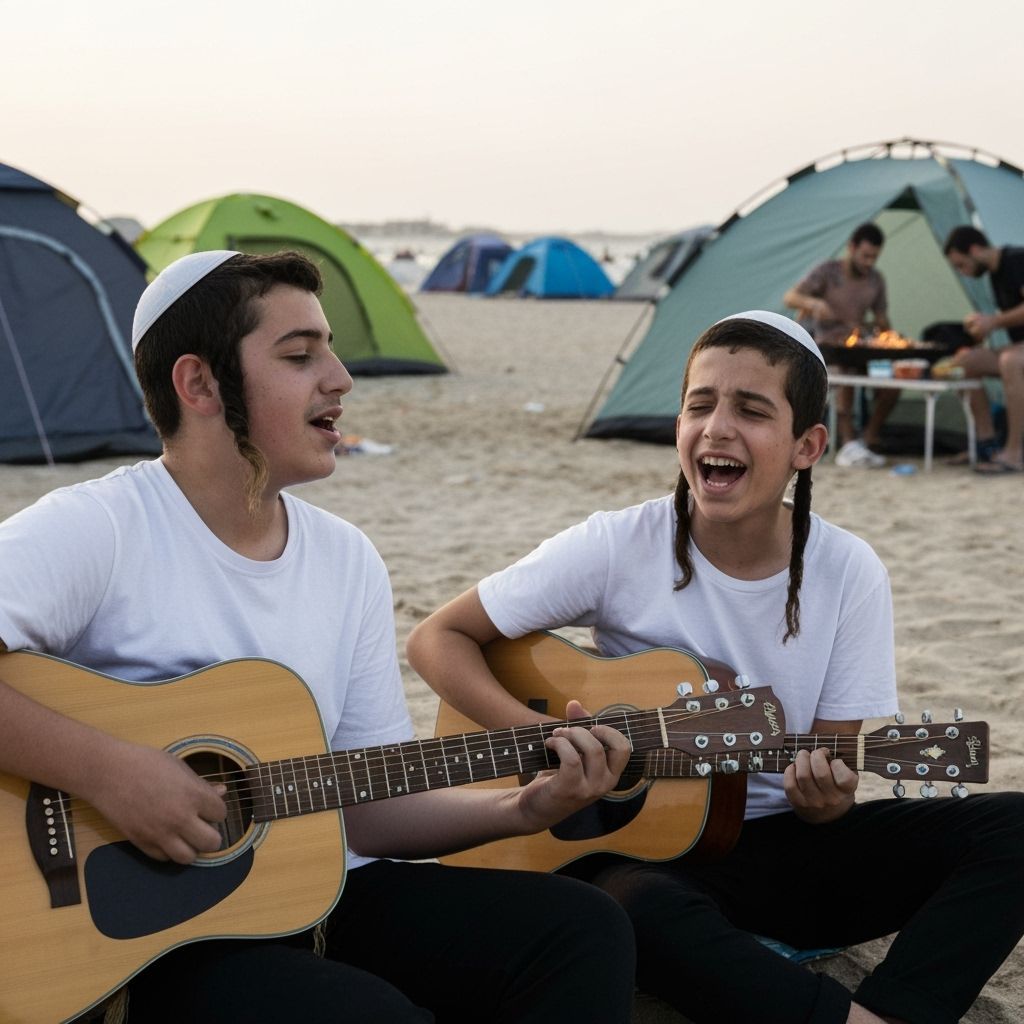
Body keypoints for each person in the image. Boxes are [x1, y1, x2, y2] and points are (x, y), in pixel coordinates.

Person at [0, 250, 639, 1023]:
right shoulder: (100, 528)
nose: (339, 377)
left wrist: (519, 812)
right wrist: (111, 775)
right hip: (157, 934)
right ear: (198, 384)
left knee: (581, 928)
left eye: (330, 349)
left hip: (322, 890)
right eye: (300, 355)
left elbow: (364, 808)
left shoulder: (346, 559)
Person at [407, 310, 1024, 1024]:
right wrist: (543, 741)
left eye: (751, 410)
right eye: (700, 405)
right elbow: (437, 638)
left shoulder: (848, 571)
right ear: (677, 430)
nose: (718, 427)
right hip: (640, 853)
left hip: (781, 849)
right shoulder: (618, 544)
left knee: (1013, 831)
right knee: (627, 907)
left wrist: (825, 798)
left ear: (807, 446)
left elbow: (828, 796)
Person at [784, 222, 896, 468]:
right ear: (851, 247)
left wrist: (886, 331)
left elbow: (881, 318)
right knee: (845, 373)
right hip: (824, 346)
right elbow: (791, 297)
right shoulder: (827, 272)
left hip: (858, 344)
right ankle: (848, 443)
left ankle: (866, 438)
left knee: (893, 380)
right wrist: (814, 305)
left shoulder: (876, 280)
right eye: (865, 256)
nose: (869, 262)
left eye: (874, 257)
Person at [943, 225, 1024, 474]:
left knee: (1010, 361)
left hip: (1017, 353)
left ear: (975, 249)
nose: (963, 273)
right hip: (1018, 347)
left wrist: (994, 322)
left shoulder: (1017, 260)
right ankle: (985, 443)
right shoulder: (995, 273)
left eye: (961, 265)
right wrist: (983, 326)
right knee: (962, 363)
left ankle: (1014, 452)